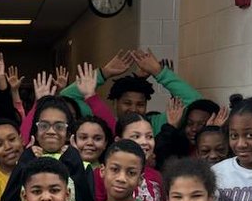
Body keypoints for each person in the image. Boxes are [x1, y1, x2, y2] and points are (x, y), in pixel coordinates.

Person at [60, 48, 204, 135]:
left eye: (140, 104)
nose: (134, 109)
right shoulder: (104, 123)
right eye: (127, 103)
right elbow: (64, 99)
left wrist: (159, 72)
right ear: (115, 103)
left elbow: (197, 104)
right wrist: (104, 73)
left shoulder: (156, 125)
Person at [0, 96, 94, 201]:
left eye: (59, 127)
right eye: (44, 126)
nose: (51, 131)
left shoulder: (83, 165)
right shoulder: (24, 162)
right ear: (35, 132)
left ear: (68, 133)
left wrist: (76, 165)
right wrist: (22, 164)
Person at [94, 113, 164, 201]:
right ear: (118, 140)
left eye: (149, 137)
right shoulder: (103, 173)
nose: (144, 142)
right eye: (136, 136)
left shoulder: (157, 176)